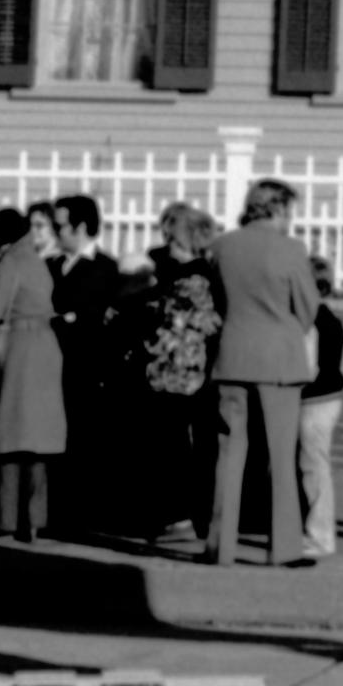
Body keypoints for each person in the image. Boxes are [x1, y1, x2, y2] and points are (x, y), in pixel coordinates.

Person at [208, 179, 322, 569]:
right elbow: (308, 308)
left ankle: (219, 546)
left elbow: (219, 302)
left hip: (234, 353)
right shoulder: (291, 250)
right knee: (280, 456)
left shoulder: (222, 246)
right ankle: (285, 547)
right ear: (279, 209)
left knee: (229, 453)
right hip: (279, 359)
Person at [0, 203, 69, 542]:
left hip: (20, 347)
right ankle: (35, 516)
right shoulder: (36, 260)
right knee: (38, 440)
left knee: (9, 435)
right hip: (46, 345)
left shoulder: (10, 261)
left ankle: (5, 517)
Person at [134, 203, 223, 545]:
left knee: (172, 447)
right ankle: (184, 515)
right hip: (185, 372)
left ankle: (180, 517)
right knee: (179, 446)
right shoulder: (203, 275)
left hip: (176, 373)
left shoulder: (189, 280)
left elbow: (167, 318)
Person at [49, 192, 131, 537]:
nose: (56, 233)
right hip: (53, 366)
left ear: (81, 226)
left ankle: (82, 516)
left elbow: (97, 320)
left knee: (84, 442)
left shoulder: (105, 268)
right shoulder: (51, 265)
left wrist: (69, 319)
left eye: (61, 226)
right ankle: (56, 512)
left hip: (86, 368)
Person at [297, 256, 343, 560]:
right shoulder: (329, 319)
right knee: (314, 464)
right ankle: (317, 531)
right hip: (328, 399)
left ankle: (320, 535)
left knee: (313, 467)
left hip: (315, 401)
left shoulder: (312, 322)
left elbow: (312, 368)